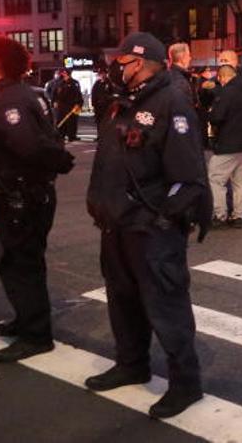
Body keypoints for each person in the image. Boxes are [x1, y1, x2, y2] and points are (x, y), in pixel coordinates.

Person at [85, 32, 210, 418]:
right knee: (122, 301)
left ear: (138, 63)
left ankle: (185, 384)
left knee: (166, 306)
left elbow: (189, 177)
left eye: (121, 63)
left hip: (151, 230)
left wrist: (161, 216)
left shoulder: (172, 102)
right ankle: (131, 363)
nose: (115, 70)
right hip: (117, 226)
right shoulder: (123, 102)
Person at [0, 35, 74, 362]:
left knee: (20, 264)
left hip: (21, 199)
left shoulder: (9, 101)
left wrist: (59, 161)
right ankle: (26, 319)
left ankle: (36, 335)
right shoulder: (20, 95)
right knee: (18, 261)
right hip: (22, 197)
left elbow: (29, 147)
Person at [206, 64, 242, 228]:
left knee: (216, 178)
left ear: (223, 77)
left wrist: (211, 115)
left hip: (226, 142)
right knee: (240, 180)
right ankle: (238, 215)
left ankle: (220, 214)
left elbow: (216, 117)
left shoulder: (227, 92)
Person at [53, 69, 84, 142]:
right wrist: (54, 101)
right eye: (62, 73)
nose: (63, 74)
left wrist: (79, 104)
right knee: (61, 120)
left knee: (72, 121)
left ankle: (71, 136)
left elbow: (78, 94)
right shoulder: (59, 83)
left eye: (64, 73)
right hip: (61, 106)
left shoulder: (74, 83)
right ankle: (61, 136)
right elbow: (54, 94)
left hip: (71, 105)